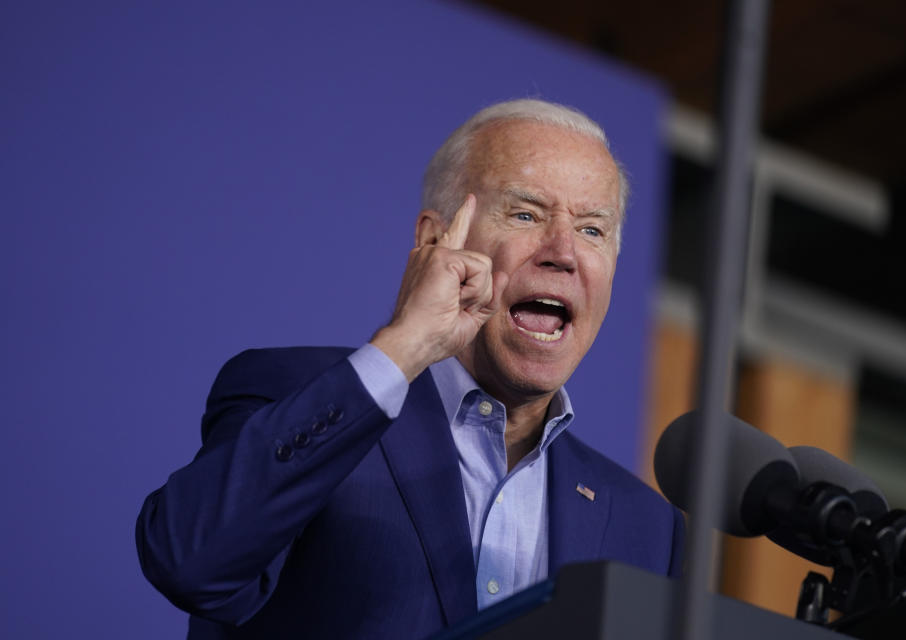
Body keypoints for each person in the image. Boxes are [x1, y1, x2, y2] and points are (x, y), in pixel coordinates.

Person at [136, 99, 684, 639]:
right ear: (433, 240)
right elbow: (189, 561)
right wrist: (403, 347)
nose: (563, 252)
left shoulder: (650, 531)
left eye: (593, 230)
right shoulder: (294, 395)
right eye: (526, 214)